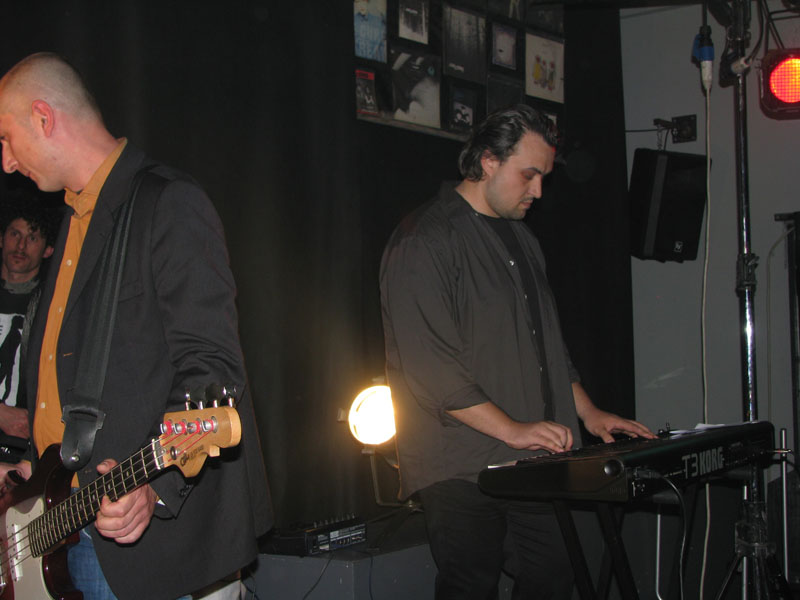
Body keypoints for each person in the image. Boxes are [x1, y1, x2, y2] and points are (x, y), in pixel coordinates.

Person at [0, 52, 272, 600]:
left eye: (6, 139)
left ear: (43, 118)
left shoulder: (168, 202)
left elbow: (212, 369)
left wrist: (156, 486)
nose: (6, 163)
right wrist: (29, 471)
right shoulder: (71, 223)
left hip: (144, 550)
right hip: (62, 526)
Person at [379, 104, 654, 600]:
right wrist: (513, 429)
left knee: (555, 573)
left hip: (528, 460)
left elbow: (547, 345)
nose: (539, 191)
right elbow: (430, 370)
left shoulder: (523, 239)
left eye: (544, 176)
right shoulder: (425, 240)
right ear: (488, 161)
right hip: (461, 464)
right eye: (529, 175)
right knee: (471, 587)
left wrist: (588, 412)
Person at [0, 195, 57, 459]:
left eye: (32, 238)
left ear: (48, 250)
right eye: (15, 234)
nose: (21, 245)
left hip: (24, 451)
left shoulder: (54, 307)